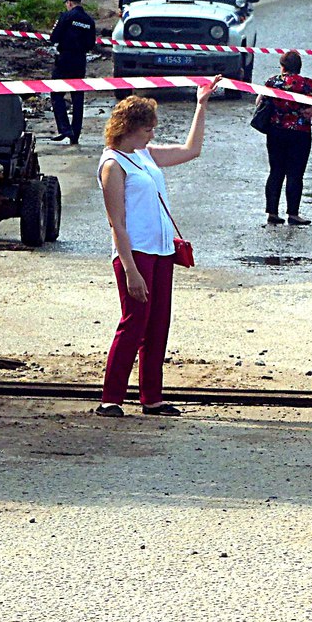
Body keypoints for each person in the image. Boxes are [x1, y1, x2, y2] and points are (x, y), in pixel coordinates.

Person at [96, 76, 222, 417]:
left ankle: (151, 397)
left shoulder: (145, 154)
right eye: (148, 128)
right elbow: (117, 223)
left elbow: (191, 150)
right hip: (134, 253)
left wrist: (201, 105)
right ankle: (111, 398)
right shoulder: (113, 164)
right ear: (130, 127)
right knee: (133, 322)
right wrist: (131, 270)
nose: (153, 133)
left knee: (157, 325)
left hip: (162, 250)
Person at [258, 50, 312, 226]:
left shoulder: (272, 81)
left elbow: (259, 101)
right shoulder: (305, 83)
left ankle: (272, 212)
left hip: (275, 131)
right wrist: (311, 110)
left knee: (275, 171)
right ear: (299, 67)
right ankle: (293, 214)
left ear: (282, 66)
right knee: (295, 173)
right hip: (299, 132)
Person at [47, 0, 97, 144]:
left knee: (56, 94)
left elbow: (53, 37)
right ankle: (75, 134)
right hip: (80, 61)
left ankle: (64, 128)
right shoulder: (89, 21)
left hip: (64, 59)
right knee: (77, 98)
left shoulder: (66, 17)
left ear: (69, 3)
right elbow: (91, 44)